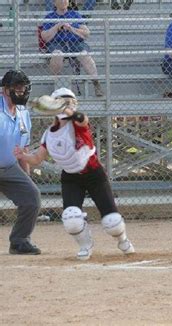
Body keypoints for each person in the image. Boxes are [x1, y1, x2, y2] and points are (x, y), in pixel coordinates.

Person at [15, 88, 135, 261]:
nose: (68, 105)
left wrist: (66, 109)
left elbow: (82, 119)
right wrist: (22, 155)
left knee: (112, 222)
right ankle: (85, 245)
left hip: (94, 174)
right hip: (71, 178)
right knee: (71, 218)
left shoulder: (77, 124)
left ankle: (123, 240)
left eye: (70, 102)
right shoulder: (49, 134)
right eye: (63, 102)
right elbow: (37, 158)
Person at [1, 70, 42, 255]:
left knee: (31, 197)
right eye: (16, 88)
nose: (21, 92)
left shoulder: (23, 113)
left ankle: (19, 241)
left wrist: (26, 177)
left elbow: (22, 149)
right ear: (5, 90)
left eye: (23, 88)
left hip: (9, 167)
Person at [41, 0, 103, 97]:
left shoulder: (75, 15)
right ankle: (56, 83)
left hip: (75, 43)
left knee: (84, 54)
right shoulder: (50, 17)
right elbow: (44, 36)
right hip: (57, 44)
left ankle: (96, 83)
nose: (63, 1)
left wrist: (71, 28)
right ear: (54, 3)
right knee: (57, 54)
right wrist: (57, 26)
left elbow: (86, 33)